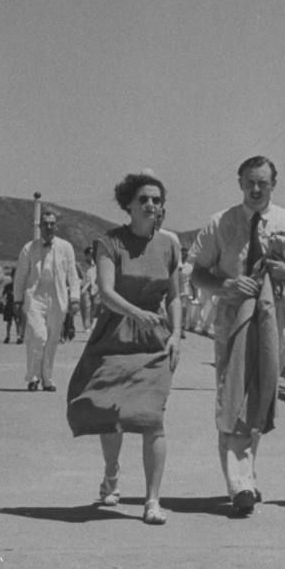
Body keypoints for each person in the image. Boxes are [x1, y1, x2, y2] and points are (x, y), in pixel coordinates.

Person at [186, 155, 285, 517]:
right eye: (250, 182)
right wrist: (226, 285)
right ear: (240, 183)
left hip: (275, 318)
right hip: (232, 318)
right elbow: (197, 273)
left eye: (263, 182)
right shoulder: (220, 223)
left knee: (260, 396)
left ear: (274, 184)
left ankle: (246, 474)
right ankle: (240, 483)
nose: (256, 189)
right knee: (232, 394)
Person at [66, 173, 182, 525]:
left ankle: (152, 501)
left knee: (152, 419)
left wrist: (177, 334)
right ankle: (112, 473)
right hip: (115, 336)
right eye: (143, 199)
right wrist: (136, 313)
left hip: (154, 342)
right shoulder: (110, 242)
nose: (151, 205)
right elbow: (106, 292)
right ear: (128, 204)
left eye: (157, 200)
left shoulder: (169, 244)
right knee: (110, 412)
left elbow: (175, 295)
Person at [13, 210, 81, 391]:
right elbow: (20, 276)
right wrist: (17, 300)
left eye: (52, 224)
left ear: (56, 226)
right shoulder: (29, 248)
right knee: (37, 336)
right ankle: (33, 377)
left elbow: (72, 275)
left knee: (52, 340)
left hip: (57, 298)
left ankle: (47, 379)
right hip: (35, 298)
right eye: (45, 224)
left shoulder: (66, 247)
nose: (49, 227)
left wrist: (75, 298)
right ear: (40, 226)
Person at [78, 246, 99, 331]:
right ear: (86, 255)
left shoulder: (97, 264)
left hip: (95, 288)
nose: (92, 255)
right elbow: (78, 276)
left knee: (94, 307)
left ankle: (90, 322)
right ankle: (86, 326)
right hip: (84, 288)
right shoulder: (81, 265)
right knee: (86, 306)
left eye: (93, 254)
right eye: (90, 254)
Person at [0, 268, 18, 343]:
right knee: (9, 322)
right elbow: (3, 296)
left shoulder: (20, 286)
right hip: (9, 306)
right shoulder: (8, 286)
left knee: (17, 322)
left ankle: (19, 336)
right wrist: (2, 303)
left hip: (17, 305)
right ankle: (8, 336)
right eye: (13, 276)